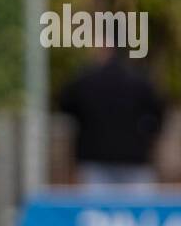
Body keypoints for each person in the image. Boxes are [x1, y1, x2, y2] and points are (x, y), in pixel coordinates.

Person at [58, 42, 166, 189]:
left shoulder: (86, 81)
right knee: (136, 210)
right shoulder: (141, 81)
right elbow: (158, 113)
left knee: (95, 209)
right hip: (135, 161)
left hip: (95, 163)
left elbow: (65, 104)